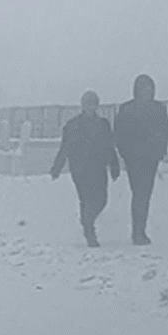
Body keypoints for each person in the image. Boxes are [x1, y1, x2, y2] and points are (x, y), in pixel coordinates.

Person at [50, 91, 120, 247]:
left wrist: (114, 165)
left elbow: (109, 146)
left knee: (102, 200)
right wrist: (57, 167)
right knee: (86, 199)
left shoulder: (103, 124)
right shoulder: (73, 125)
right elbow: (65, 148)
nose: (90, 107)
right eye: (87, 103)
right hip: (80, 168)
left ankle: (87, 220)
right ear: (82, 105)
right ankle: (89, 231)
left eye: (93, 103)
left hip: (99, 167)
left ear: (97, 105)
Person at [113, 74, 168, 246]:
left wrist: (159, 151)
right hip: (134, 159)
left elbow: (165, 131)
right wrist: (125, 152)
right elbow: (119, 134)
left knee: (144, 194)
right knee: (139, 193)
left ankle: (140, 231)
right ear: (137, 90)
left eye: (150, 88)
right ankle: (138, 232)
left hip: (150, 158)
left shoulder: (158, 109)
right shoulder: (127, 109)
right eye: (144, 88)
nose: (148, 92)